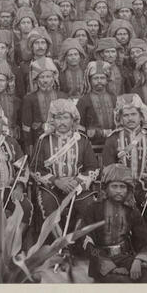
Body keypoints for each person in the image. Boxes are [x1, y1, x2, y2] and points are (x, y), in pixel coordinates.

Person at [81, 164, 147, 283]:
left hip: (125, 257)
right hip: (102, 262)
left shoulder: (131, 211)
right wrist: (112, 267)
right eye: (114, 186)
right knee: (123, 282)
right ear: (105, 188)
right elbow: (87, 243)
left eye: (122, 187)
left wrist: (138, 260)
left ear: (128, 189)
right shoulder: (93, 209)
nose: (119, 191)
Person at [102, 94, 147, 238]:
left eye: (134, 114)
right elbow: (107, 169)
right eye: (126, 115)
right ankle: (127, 243)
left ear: (141, 116)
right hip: (121, 188)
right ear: (120, 118)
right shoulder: (112, 139)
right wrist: (118, 189)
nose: (130, 118)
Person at [31, 98, 99, 234]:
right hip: (51, 188)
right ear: (52, 120)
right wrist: (57, 181)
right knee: (47, 204)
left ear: (73, 119)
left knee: (88, 205)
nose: (62, 122)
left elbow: (93, 167)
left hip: (77, 188)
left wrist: (76, 182)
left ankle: (80, 242)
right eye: (58, 118)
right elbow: (34, 168)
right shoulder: (43, 140)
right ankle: (56, 245)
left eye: (66, 117)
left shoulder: (82, 140)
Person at [21, 57, 68, 151]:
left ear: (54, 78)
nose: (45, 80)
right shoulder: (29, 98)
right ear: (36, 79)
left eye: (48, 76)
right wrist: (29, 145)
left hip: (61, 139)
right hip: (38, 140)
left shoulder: (63, 96)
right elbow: (27, 126)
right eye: (42, 77)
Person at [76, 61, 117, 147]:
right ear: (89, 80)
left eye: (102, 78)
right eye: (95, 78)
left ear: (107, 80)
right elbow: (79, 126)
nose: (99, 81)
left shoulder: (115, 99)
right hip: (91, 145)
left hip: (115, 143)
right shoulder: (83, 100)